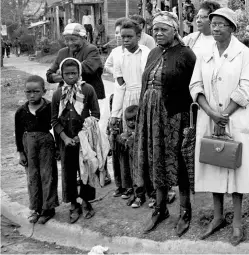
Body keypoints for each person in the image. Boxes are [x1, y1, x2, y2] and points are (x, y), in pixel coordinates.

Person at [189, 7, 249, 246]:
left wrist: (225, 114)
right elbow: (195, 85)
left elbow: (248, 87)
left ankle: (238, 222)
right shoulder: (204, 52)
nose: (216, 27)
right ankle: (218, 216)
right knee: (214, 165)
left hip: (236, 118)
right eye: (214, 23)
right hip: (210, 117)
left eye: (222, 24)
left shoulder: (243, 53)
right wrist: (211, 113)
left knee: (236, 166)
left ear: (232, 28)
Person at [135, 11, 196, 236]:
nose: (159, 33)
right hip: (151, 116)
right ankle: (160, 209)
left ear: (175, 30)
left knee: (178, 162)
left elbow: (193, 89)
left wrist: (189, 122)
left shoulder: (186, 54)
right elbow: (145, 84)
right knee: (156, 159)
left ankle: (185, 211)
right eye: (155, 29)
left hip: (174, 117)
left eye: (164, 29)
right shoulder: (152, 53)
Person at [51, 58, 104, 223]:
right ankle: (73, 204)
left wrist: (81, 135)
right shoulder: (58, 94)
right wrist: (65, 138)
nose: (71, 76)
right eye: (67, 74)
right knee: (68, 171)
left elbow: (95, 114)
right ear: (61, 75)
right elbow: (54, 120)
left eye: (74, 73)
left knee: (86, 170)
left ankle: (87, 202)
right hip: (65, 141)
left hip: (84, 139)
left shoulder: (87, 89)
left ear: (79, 73)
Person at [110, 18, 151, 205]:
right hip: (128, 100)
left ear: (138, 36)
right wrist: (115, 114)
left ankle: (150, 188)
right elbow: (120, 87)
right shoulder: (118, 57)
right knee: (130, 146)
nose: (125, 40)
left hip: (144, 98)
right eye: (122, 36)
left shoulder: (147, 54)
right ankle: (135, 188)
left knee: (145, 145)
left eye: (129, 36)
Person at [15, 75, 59, 224]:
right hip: (29, 146)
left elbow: (56, 127)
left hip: (46, 144)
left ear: (44, 91)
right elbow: (18, 132)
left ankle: (48, 209)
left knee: (48, 175)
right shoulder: (21, 112)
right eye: (28, 92)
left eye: (36, 91)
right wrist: (21, 152)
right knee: (32, 177)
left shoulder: (50, 107)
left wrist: (57, 147)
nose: (32, 95)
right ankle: (36, 209)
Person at [47, 23, 105, 100]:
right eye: (67, 40)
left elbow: (87, 68)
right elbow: (49, 75)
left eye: (74, 39)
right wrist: (63, 76)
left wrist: (63, 73)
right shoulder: (62, 52)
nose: (70, 43)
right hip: (66, 98)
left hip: (89, 97)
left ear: (84, 38)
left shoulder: (91, 50)